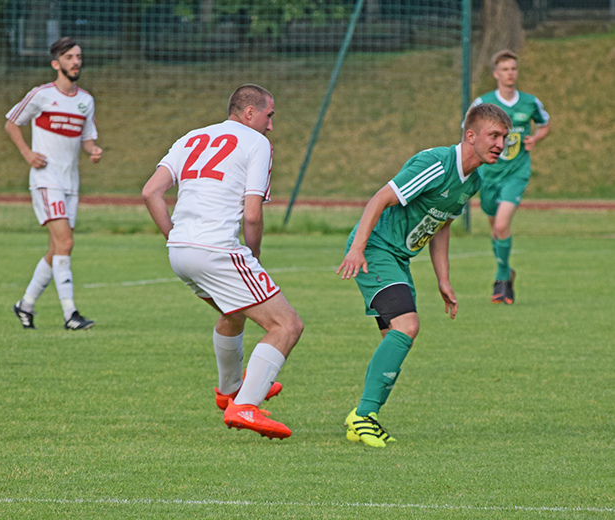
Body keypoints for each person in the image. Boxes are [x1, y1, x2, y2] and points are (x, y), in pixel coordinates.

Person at [337, 103, 512, 448]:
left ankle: (363, 418)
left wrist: (442, 279)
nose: (500, 144)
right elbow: (380, 199)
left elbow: (441, 223)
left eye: (504, 137)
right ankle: (362, 416)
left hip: (398, 257)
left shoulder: (472, 180)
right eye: (493, 135)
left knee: (397, 338)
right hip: (376, 249)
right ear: (471, 135)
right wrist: (357, 248)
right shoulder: (434, 164)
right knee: (408, 326)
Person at [142, 84, 304, 440]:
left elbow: (151, 191)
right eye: (269, 115)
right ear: (249, 113)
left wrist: (174, 236)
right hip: (216, 251)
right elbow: (252, 215)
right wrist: (253, 256)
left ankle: (229, 389)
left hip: (180, 252)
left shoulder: (191, 138)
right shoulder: (256, 143)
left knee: (234, 312)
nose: (270, 125)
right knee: (287, 326)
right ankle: (244, 406)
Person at [5, 37, 103, 330]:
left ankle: (25, 305)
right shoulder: (41, 95)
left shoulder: (86, 100)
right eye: (70, 57)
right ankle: (70, 314)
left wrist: (93, 150)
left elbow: (87, 139)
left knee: (57, 248)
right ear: (56, 63)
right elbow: (11, 122)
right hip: (47, 181)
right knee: (66, 242)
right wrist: (28, 154)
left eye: (79, 56)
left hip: (71, 183)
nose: (76, 62)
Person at [470, 49, 551, 304]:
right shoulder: (483, 104)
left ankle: (502, 275)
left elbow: (545, 123)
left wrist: (535, 137)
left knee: (502, 225)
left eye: (513, 69)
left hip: (516, 172)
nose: (510, 73)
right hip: (489, 173)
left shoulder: (529, 102)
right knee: (494, 227)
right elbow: (468, 131)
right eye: (505, 69)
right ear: (496, 74)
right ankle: (505, 274)